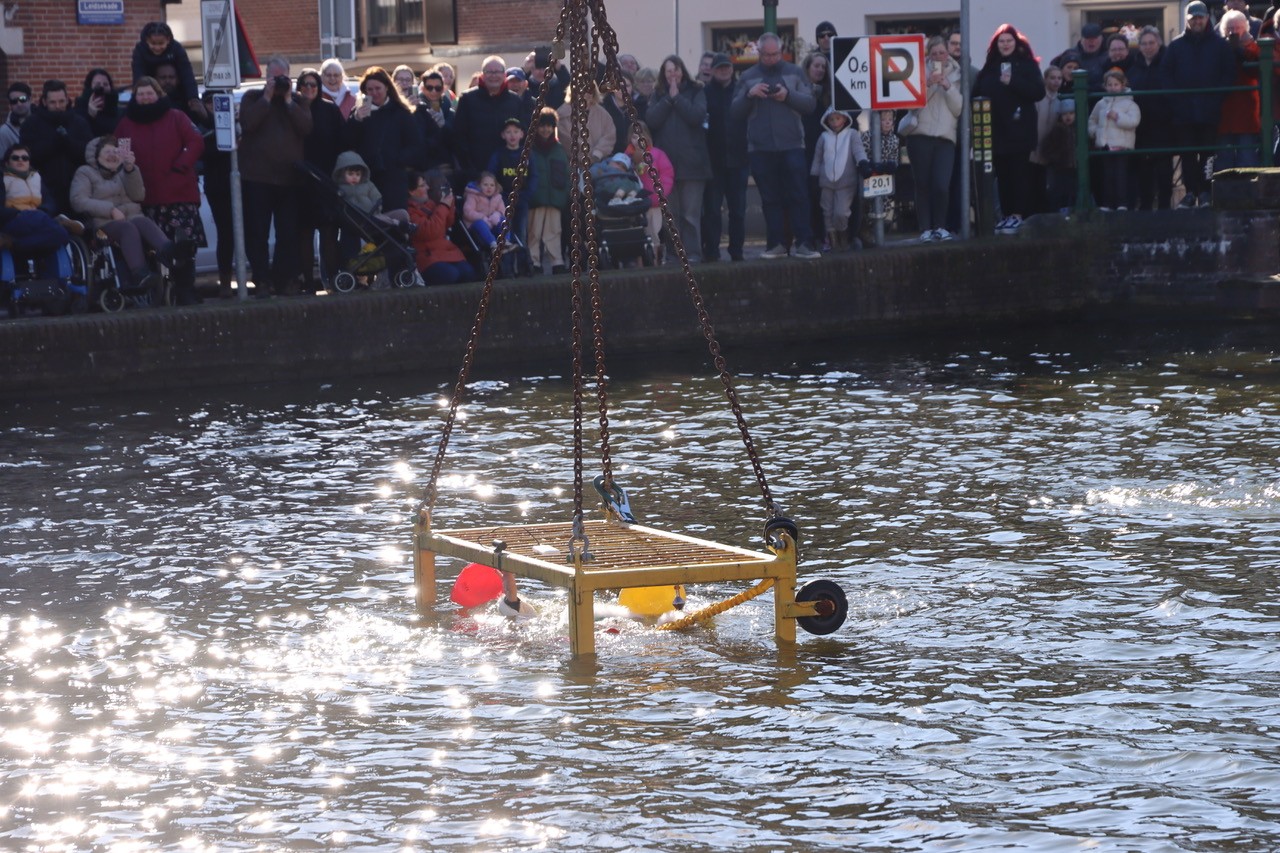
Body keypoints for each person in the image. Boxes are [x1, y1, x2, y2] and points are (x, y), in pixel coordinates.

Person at [113, 75, 204, 304]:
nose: (145, 98)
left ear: (158, 94)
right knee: (155, 248)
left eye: (149, 93)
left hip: (178, 194)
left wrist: (181, 166)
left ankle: (185, 289)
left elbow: (195, 141)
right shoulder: (126, 123)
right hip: (146, 197)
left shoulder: (176, 117)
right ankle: (160, 292)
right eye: (140, 94)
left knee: (183, 247)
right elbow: (120, 152)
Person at [731, 32, 821, 259]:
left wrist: (788, 96)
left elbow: (810, 104)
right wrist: (750, 95)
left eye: (775, 54)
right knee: (770, 200)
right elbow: (734, 112)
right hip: (760, 149)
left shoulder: (795, 72)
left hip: (792, 145)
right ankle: (776, 245)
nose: (771, 58)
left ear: (782, 52)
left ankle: (804, 244)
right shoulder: (748, 76)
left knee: (799, 195)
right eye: (767, 55)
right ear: (758, 53)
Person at [236, 57, 312, 297]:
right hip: (258, 178)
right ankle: (261, 280)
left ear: (289, 77)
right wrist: (267, 97)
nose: (277, 82)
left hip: (290, 180)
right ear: (266, 77)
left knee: (287, 233)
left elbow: (306, 128)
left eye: (282, 77)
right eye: (273, 77)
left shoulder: (299, 101)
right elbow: (248, 124)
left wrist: (289, 100)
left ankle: (284, 279)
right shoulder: (251, 98)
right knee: (257, 232)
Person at [70, 135, 174, 294]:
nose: (112, 155)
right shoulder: (85, 172)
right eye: (107, 152)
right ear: (96, 155)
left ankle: (171, 252)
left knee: (143, 222)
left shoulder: (125, 171)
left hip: (131, 220)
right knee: (127, 227)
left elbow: (139, 196)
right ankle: (140, 273)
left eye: (115, 151)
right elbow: (78, 201)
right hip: (101, 229)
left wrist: (131, 170)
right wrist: (110, 209)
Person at [972, 24, 1046, 234]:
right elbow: (978, 92)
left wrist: (1012, 82)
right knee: (1002, 175)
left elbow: (1037, 92)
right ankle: (1006, 215)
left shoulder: (1027, 65)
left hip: (1019, 130)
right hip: (996, 131)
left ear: (1016, 42)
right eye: (1001, 41)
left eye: (1009, 41)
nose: (1005, 45)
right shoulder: (990, 67)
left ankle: (1018, 215)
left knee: (1018, 174)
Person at [1164, 0, 1236, 207]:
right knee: (1187, 154)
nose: (1197, 21)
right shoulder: (1176, 46)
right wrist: (1176, 100)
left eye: (1200, 18)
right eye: (1193, 18)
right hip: (1184, 111)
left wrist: (1217, 97)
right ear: (1188, 20)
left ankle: (1205, 192)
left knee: (1207, 154)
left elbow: (1228, 73)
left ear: (1207, 19)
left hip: (1209, 109)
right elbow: (1166, 75)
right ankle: (1190, 193)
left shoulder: (1220, 45)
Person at [647, 54, 710, 263]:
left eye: (676, 70)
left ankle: (693, 254)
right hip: (666, 167)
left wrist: (678, 98)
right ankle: (674, 255)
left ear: (682, 71)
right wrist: (668, 99)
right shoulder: (657, 94)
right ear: (663, 74)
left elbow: (696, 116)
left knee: (690, 216)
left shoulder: (696, 91)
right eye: (668, 71)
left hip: (693, 163)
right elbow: (652, 121)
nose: (673, 74)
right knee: (670, 215)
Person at [345, 66, 424, 213]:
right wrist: (356, 120)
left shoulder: (401, 112)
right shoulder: (359, 112)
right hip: (366, 178)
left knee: (395, 223)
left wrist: (398, 161)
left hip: (394, 178)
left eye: (378, 88)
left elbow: (415, 145)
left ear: (387, 87)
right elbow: (348, 143)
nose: (374, 93)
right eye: (370, 89)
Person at [908, 35, 963, 241]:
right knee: (922, 183)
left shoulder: (958, 73)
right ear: (928, 55)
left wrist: (948, 87)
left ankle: (940, 226)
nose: (939, 56)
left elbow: (958, 109)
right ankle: (925, 229)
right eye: (934, 53)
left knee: (941, 184)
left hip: (945, 137)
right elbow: (911, 104)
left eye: (942, 52)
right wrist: (929, 84)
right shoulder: (917, 71)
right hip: (919, 135)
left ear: (947, 53)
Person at [296, 68, 345, 293]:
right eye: (304, 85)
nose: (309, 89)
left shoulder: (329, 109)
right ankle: (308, 283)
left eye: (313, 85)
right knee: (304, 236)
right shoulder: (292, 109)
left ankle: (334, 281)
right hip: (300, 182)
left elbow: (342, 142)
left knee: (328, 236)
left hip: (326, 181)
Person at [19, 81, 93, 217]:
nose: (58, 106)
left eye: (61, 101)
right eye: (53, 102)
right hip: (43, 191)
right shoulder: (31, 124)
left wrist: (68, 142)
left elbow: (88, 154)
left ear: (67, 100)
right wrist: (53, 143)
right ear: (44, 102)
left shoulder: (79, 123)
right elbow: (28, 157)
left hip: (75, 189)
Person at [702, 53, 746, 262]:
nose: (724, 70)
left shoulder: (741, 91)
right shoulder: (705, 93)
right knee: (712, 211)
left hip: (739, 160)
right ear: (713, 70)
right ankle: (712, 252)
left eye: (727, 67)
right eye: (720, 67)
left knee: (738, 211)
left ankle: (737, 251)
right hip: (713, 162)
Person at [454, 56, 527, 180]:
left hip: (507, 171)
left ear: (504, 75)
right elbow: (459, 137)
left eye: (497, 71)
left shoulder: (515, 101)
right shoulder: (467, 99)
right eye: (489, 72)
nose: (493, 75)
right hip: (476, 171)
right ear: (482, 75)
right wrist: (469, 170)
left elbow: (523, 135)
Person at [1128, 26, 1174, 209]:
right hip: (1141, 127)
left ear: (1159, 43)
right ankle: (1145, 207)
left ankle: (1164, 207)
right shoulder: (1134, 68)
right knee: (1143, 169)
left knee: (1164, 169)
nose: (1148, 47)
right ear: (1139, 46)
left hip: (1163, 125)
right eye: (1144, 43)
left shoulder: (1168, 64)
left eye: (1151, 43)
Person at [809, 108, 867, 253]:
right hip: (826, 182)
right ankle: (833, 240)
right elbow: (817, 158)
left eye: (838, 119)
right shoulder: (823, 137)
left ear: (845, 119)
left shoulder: (852, 135)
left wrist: (863, 162)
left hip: (846, 182)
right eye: (831, 120)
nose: (835, 123)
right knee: (827, 211)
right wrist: (814, 176)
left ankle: (843, 235)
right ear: (827, 121)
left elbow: (858, 151)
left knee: (841, 212)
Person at [407, 171, 475, 284]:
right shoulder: (409, 211)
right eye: (423, 185)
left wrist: (450, 202)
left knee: (468, 273)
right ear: (411, 191)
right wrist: (444, 205)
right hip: (428, 257)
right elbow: (430, 231)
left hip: (445, 252)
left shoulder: (430, 204)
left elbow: (447, 223)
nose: (428, 188)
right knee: (451, 275)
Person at [1088, 69, 1141, 210]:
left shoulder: (1130, 104)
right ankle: (1107, 203)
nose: (1112, 87)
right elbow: (1092, 120)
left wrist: (1117, 117)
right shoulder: (1101, 103)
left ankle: (1122, 203)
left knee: (1120, 175)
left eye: (1116, 84)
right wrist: (1095, 132)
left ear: (1123, 85)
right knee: (1107, 175)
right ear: (1105, 86)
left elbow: (1133, 121)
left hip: (1122, 145)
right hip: (1105, 144)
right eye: (1109, 84)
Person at [1216, 10, 1262, 170]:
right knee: (1224, 160)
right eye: (1230, 27)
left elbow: (1258, 71)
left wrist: (1240, 52)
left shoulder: (1254, 47)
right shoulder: (1218, 48)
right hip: (1224, 112)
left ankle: (1249, 193)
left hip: (1246, 112)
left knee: (1247, 159)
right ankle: (1224, 193)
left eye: (1237, 27)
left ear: (1246, 28)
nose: (1233, 31)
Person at [526, 109, 569, 274]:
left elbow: (565, 174)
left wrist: (563, 194)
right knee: (534, 232)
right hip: (535, 198)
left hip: (555, 198)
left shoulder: (558, 149)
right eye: (542, 126)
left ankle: (557, 262)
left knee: (554, 231)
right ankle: (534, 263)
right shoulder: (530, 149)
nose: (546, 129)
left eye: (549, 126)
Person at [800, 51, 833, 250]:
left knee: (822, 195)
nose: (820, 69)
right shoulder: (800, 88)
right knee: (807, 194)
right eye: (816, 66)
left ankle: (823, 237)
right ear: (808, 67)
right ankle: (808, 237)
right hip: (804, 149)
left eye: (823, 67)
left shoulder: (829, 94)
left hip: (824, 151)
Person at [628, 121, 674, 265]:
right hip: (635, 203)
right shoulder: (626, 156)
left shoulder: (657, 154)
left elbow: (667, 176)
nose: (638, 140)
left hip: (654, 202)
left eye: (641, 136)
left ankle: (655, 261)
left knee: (654, 233)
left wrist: (659, 194)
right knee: (637, 234)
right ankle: (639, 263)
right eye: (634, 137)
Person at [487, 117, 532, 258]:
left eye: (515, 131)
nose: (512, 135)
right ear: (503, 135)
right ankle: (507, 266)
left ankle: (524, 265)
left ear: (522, 134)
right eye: (508, 132)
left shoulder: (528, 154)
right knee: (506, 233)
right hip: (503, 201)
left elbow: (534, 176)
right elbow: (490, 176)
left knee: (521, 233)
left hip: (522, 200)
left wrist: (527, 195)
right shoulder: (498, 155)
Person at [131, 22, 200, 110]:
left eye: (161, 43)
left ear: (168, 40)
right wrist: (137, 96)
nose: (157, 47)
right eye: (153, 43)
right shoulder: (140, 50)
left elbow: (187, 74)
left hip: (177, 92)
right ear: (147, 40)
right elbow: (138, 75)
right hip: (151, 90)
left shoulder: (177, 48)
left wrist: (193, 97)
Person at [1030, 64, 1064, 215]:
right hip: (1032, 149)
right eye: (1052, 78)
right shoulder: (1037, 98)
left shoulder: (1060, 101)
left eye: (1059, 78)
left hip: (1048, 151)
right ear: (1045, 79)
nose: (1056, 82)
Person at [1040, 99, 1079, 211]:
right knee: (1060, 191)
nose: (1068, 117)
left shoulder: (1078, 129)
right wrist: (1056, 158)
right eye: (1065, 114)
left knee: (1072, 191)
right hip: (1060, 167)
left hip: (1074, 167)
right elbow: (1047, 149)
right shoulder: (1057, 130)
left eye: (1071, 113)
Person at [416, 71, 457, 176]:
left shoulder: (449, 111)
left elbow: (456, 141)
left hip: (446, 168)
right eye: (429, 87)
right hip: (423, 170)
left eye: (437, 88)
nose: (433, 91)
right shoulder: (415, 110)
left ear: (443, 89)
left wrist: (443, 126)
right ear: (423, 88)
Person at [1054, 22, 1108, 92]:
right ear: (1082, 39)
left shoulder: (1109, 56)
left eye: (1094, 38)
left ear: (1101, 39)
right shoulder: (1069, 54)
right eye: (1087, 38)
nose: (1091, 42)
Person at [462, 171, 506, 250]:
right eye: (485, 185)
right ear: (479, 185)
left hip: (492, 223)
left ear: (496, 187)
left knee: (504, 221)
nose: (489, 187)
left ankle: (505, 241)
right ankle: (492, 243)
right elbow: (467, 212)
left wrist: (497, 214)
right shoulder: (473, 196)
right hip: (475, 224)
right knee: (480, 224)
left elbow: (503, 210)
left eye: (492, 185)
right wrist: (482, 217)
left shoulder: (498, 197)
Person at [74, 69, 120, 137]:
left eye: (105, 84)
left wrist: (122, 148)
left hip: (114, 146)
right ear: (89, 86)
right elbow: (79, 137)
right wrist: (90, 117)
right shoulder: (79, 110)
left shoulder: (119, 111)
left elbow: (124, 135)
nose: (102, 87)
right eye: (97, 84)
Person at [0, 83, 33, 155]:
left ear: (30, 99)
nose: (19, 104)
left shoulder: (43, 121)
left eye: (22, 99)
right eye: (14, 101)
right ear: (10, 105)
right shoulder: (5, 132)